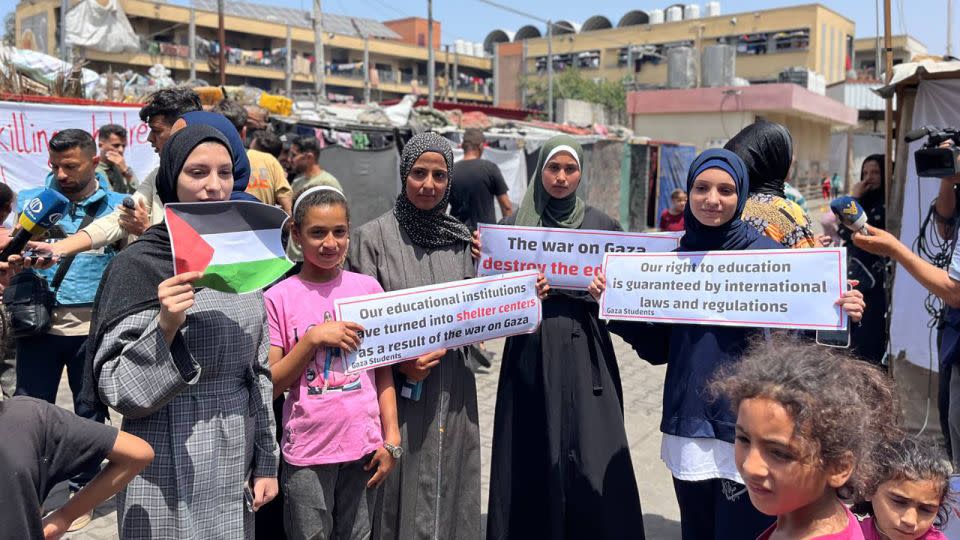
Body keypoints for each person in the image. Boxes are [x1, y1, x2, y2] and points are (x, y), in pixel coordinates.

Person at [589, 149, 866, 540]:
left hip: (753, 428)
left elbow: (802, 345)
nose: (713, 200)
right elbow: (658, 349)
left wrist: (840, 312)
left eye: (726, 190)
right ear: (688, 193)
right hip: (690, 425)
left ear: (741, 197)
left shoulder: (775, 259)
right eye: (701, 188)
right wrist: (616, 308)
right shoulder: (671, 262)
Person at [86, 124, 279, 539]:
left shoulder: (243, 259)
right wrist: (165, 328)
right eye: (198, 173)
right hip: (163, 452)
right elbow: (117, 389)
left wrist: (266, 459)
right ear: (171, 178)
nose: (214, 186)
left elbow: (259, 372)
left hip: (235, 453)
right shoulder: (139, 265)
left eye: (224, 172)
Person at [483, 135, 646, 539]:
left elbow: (629, 292)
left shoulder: (601, 226)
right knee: (532, 446)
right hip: (530, 352)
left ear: (580, 173)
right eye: (553, 168)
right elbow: (492, 297)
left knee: (592, 447)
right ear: (540, 172)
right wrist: (515, 287)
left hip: (586, 349)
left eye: (569, 169)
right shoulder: (513, 228)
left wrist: (607, 293)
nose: (560, 177)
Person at [346, 132, 479, 539]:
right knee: (395, 491)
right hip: (392, 394)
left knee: (451, 477)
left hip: (453, 388)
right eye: (419, 173)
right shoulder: (372, 239)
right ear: (404, 174)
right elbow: (358, 326)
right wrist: (400, 363)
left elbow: (476, 311)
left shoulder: (462, 242)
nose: (429, 184)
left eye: (440, 175)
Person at [266, 186, 400, 539]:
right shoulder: (278, 297)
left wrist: (392, 438)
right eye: (317, 232)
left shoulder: (368, 289)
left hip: (364, 448)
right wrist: (311, 340)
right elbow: (272, 384)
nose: (330, 243)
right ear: (296, 233)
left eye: (339, 232)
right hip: (308, 452)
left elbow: (382, 371)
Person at [13, 128, 125, 532]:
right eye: (55, 165)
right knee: (27, 407)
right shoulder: (32, 203)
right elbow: (12, 250)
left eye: (71, 166)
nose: (61, 174)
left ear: (94, 162)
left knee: (90, 412)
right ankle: (28, 489)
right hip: (37, 325)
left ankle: (82, 493)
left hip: (93, 329)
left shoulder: (118, 207)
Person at [710, 335, 900, 540]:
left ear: (839, 467)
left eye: (779, 453)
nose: (750, 466)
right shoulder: (799, 522)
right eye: (744, 439)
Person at [48, 87, 202, 258]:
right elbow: (118, 219)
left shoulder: (214, 181)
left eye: (157, 131)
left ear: (181, 129)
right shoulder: (159, 176)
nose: (150, 138)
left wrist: (148, 232)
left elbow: (201, 250)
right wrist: (57, 248)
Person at [0, 395, 154, 540]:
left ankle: (79, 483)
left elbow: (138, 453)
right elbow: (138, 453)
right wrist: (65, 516)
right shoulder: (30, 415)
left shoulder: (29, 417)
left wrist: (65, 516)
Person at [724, 120, 819, 249]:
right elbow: (805, 263)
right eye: (786, 152)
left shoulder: (723, 204)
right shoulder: (786, 212)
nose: (791, 159)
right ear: (774, 158)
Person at [856, 436, 952, 540]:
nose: (910, 520)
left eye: (926, 510)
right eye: (899, 502)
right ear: (870, 488)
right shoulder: (852, 534)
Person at [842, 155, 889, 365]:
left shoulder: (886, 206)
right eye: (866, 173)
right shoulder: (865, 201)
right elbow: (844, 231)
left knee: (871, 339)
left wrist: (853, 200)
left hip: (878, 284)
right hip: (857, 279)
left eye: (876, 172)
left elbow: (864, 234)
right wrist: (856, 199)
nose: (869, 178)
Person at [214, 100, 293, 213]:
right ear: (244, 132)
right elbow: (286, 198)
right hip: (261, 228)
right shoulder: (268, 161)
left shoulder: (198, 162)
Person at [288, 137, 342, 262]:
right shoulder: (297, 182)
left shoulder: (327, 182)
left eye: (294, 155)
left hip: (312, 259)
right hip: (293, 256)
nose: (290, 159)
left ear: (309, 157)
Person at [449, 128, 512, 231]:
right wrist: (507, 233)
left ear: (464, 146)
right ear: (481, 146)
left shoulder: (451, 171)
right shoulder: (490, 168)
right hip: (484, 237)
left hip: (457, 235)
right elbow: (506, 206)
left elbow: (441, 209)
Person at [96, 123, 138, 194]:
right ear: (101, 145)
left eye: (123, 146)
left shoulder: (124, 169)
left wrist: (126, 173)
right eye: (116, 145)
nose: (121, 150)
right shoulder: (91, 170)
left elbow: (139, 194)